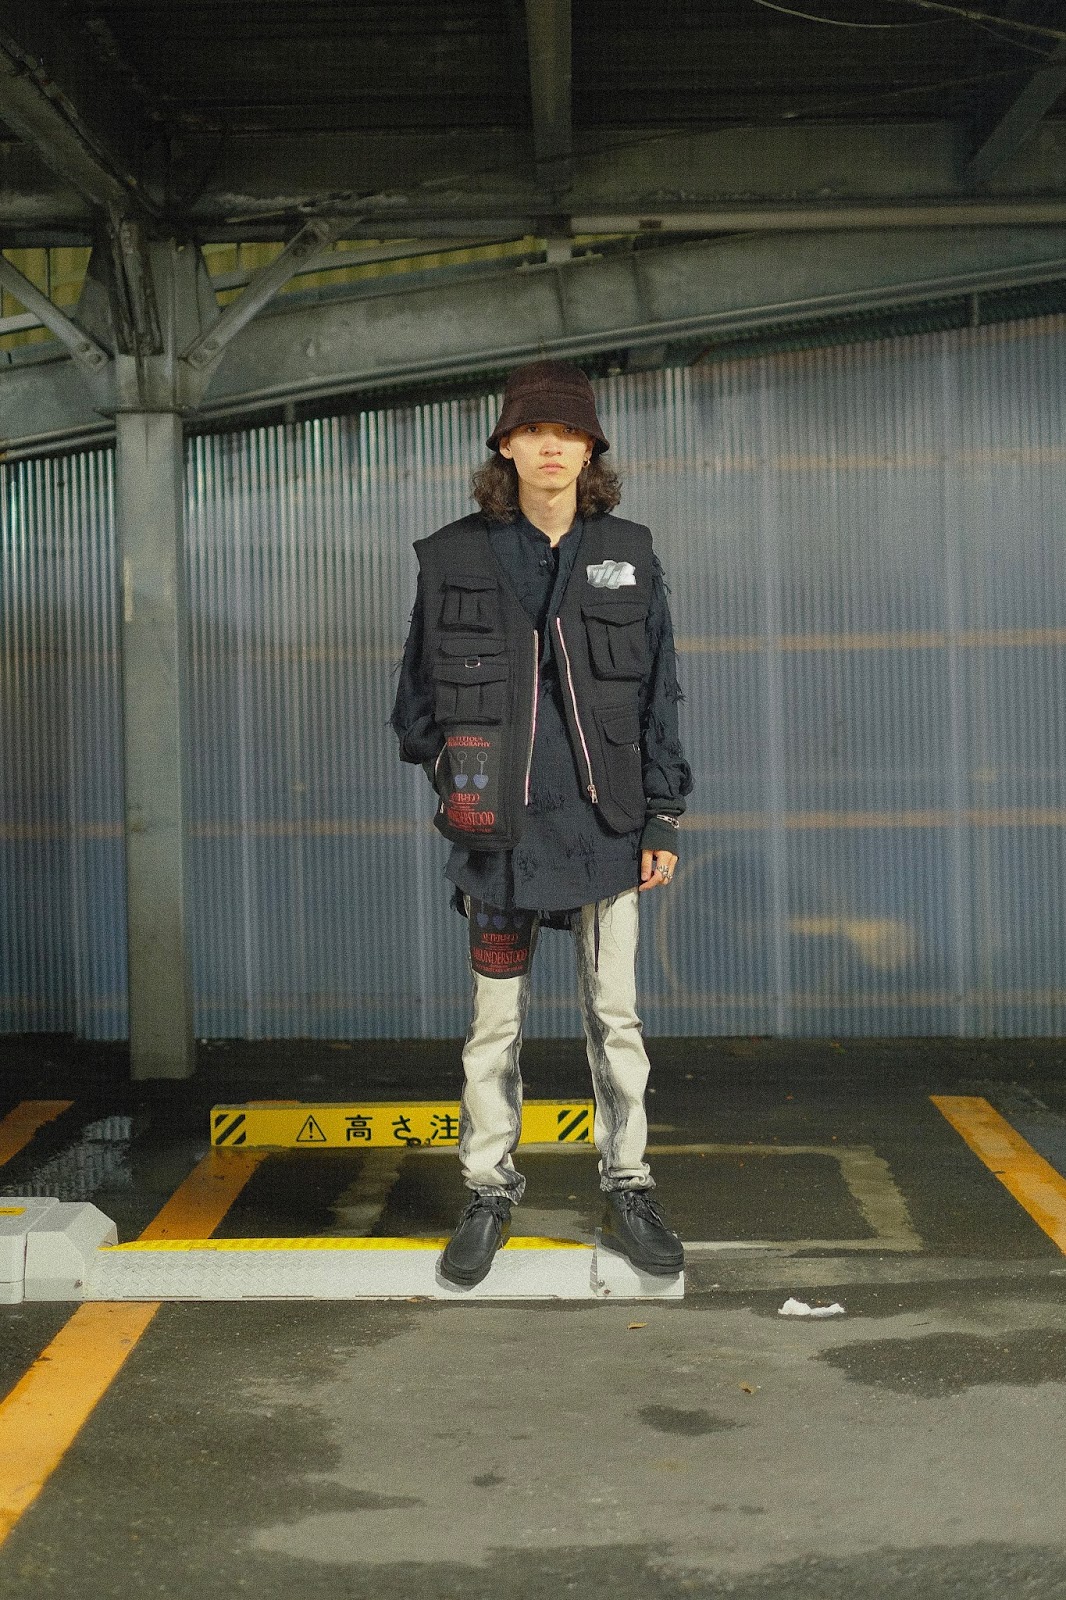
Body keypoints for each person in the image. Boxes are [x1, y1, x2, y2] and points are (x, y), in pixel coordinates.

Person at [391, 358, 692, 1287]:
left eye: (569, 433)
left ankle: (629, 1187)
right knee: (494, 1026)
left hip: (609, 829)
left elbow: (659, 693)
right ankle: (487, 1193)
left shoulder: (629, 552)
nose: (552, 446)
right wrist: (458, 780)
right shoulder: (453, 555)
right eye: (533, 431)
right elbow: (415, 704)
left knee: (616, 1019)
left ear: (590, 450)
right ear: (507, 448)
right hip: (499, 837)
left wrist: (662, 816)